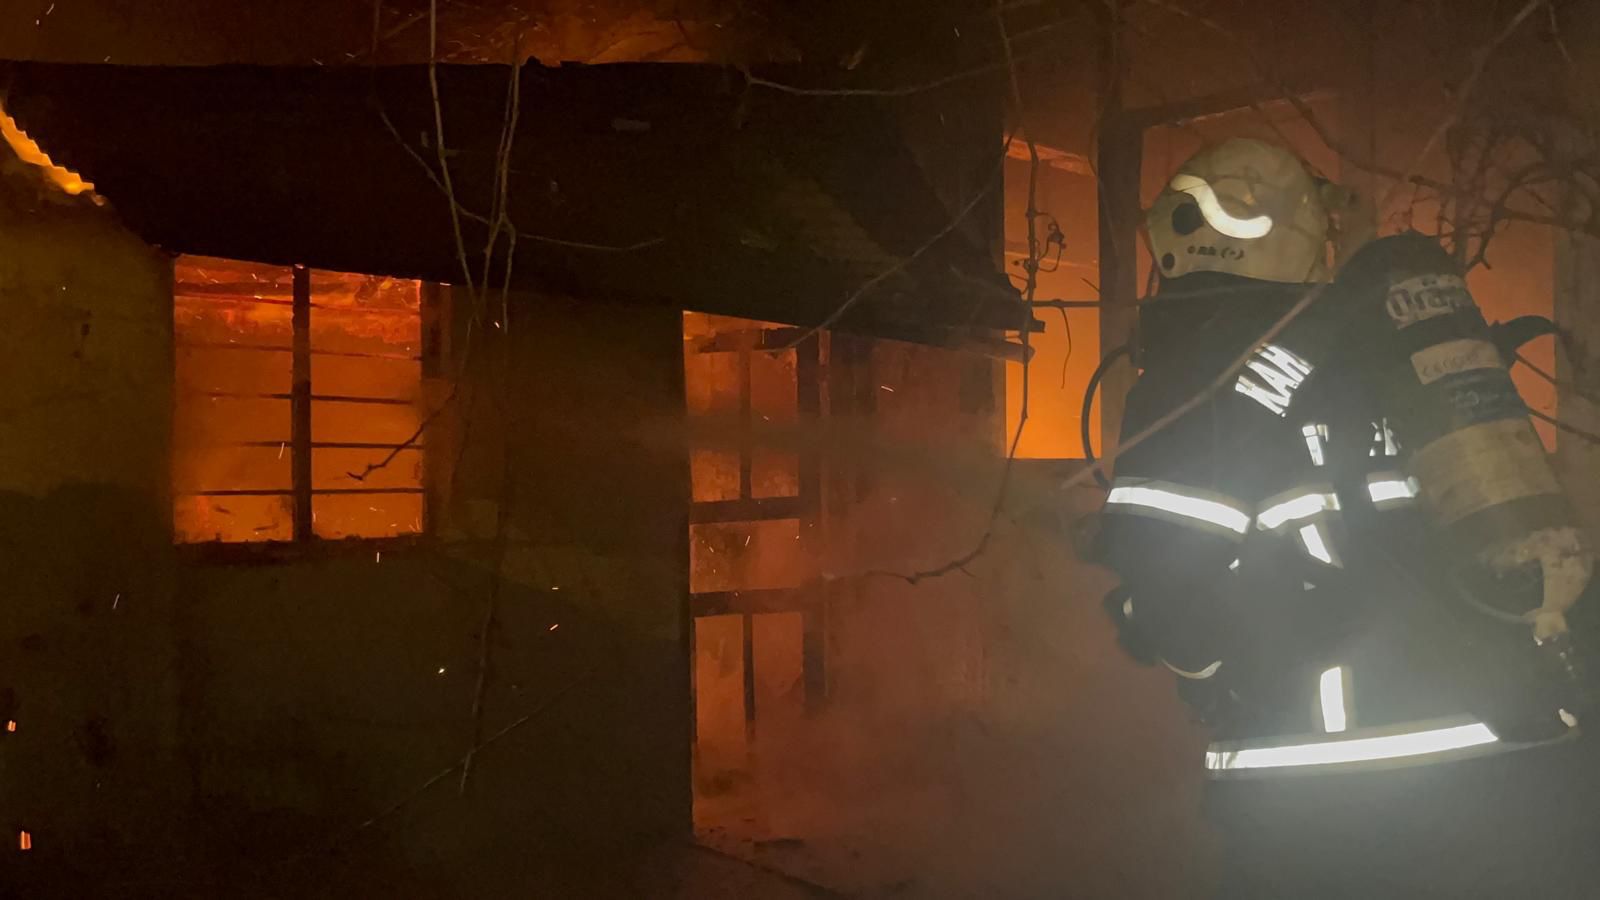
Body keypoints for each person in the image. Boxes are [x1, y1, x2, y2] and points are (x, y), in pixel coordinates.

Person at [1094, 137, 1600, 897]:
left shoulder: (1197, 382)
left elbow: (1172, 611)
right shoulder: (1375, 346)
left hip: (1337, 805)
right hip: (1520, 759)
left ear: (1177, 236)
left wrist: (1212, 652)